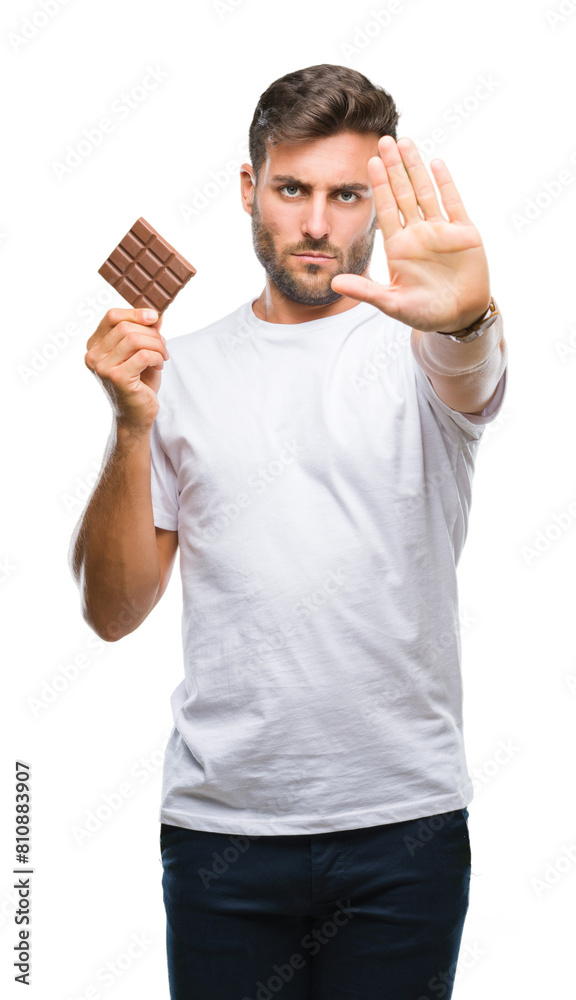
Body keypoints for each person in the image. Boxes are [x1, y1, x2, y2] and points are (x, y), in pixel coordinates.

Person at [69, 63, 507, 1000]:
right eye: (293, 190)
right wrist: (131, 426)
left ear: (379, 202)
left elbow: (474, 366)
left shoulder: (430, 353)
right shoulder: (174, 371)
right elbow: (112, 612)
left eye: (348, 195)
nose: (317, 224)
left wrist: (468, 317)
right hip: (222, 835)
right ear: (249, 188)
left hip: (404, 830)